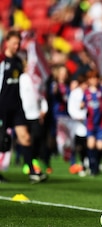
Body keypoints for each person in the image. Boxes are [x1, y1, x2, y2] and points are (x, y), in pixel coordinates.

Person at [0, 30, 47, 183]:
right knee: (1, 141)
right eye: (14, 43)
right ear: (7, 42)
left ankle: (32, 171)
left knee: (25, 137)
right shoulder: (1, 60)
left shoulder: (19, 62)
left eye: (19, 43)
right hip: (2, 107)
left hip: (17, 107)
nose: (17, 46)